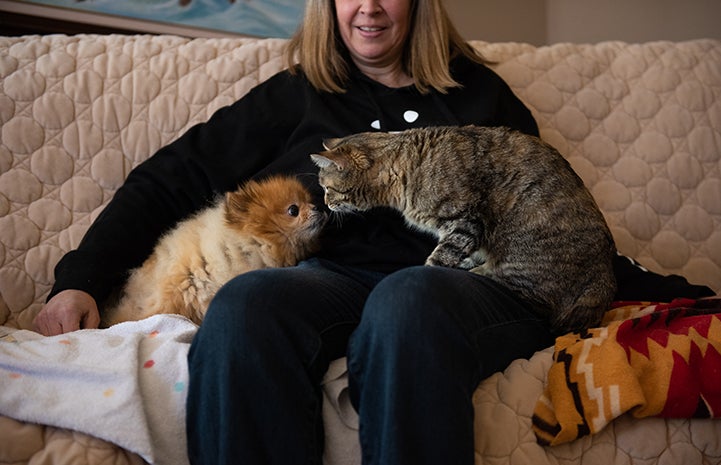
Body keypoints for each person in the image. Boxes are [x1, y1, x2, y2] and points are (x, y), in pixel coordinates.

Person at [34, 0, 715, 463]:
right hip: (331, 278)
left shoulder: (479, 99)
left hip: (469, 285)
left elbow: (549, 218)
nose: (368, 6)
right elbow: (169, 177)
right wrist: (80, 278)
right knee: (249, 303)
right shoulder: (297, 98)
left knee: (408, 298)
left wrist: (672, 291)